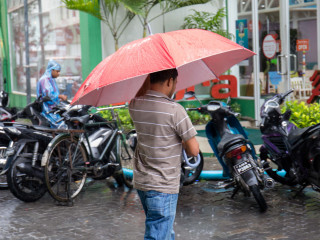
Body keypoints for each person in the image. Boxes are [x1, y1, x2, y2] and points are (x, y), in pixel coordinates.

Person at [129, 68, 199, 240]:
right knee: (158, 233)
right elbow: (194, 150)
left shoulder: (135, 104)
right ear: (169, 81)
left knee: (163, 230)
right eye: (175, 82)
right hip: (163, 184)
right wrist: (180, 141)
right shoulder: (175, 110)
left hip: (142, 182)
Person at [36, 60, 67, 129]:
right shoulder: (45, 80)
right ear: (52, 70)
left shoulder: (51, 79)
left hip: (52, 109)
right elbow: (48, 95)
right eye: (57, 71)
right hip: (47, 110)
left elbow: (53, 93)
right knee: (61, 127)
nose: (58, 73)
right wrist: (60, 96)